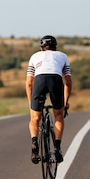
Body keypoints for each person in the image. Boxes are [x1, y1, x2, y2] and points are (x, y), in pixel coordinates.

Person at [25, 35, 72, 164]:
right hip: (55, 80)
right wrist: (65, 102)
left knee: (35, 118)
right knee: (58, 116)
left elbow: (29, 83)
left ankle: (35, 144)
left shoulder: (34, 56)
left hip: (39, 80)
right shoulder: (62, 56)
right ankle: (57, 148)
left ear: (41, 48)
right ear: (55, 47)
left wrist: (31, 105)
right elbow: (68, 81)